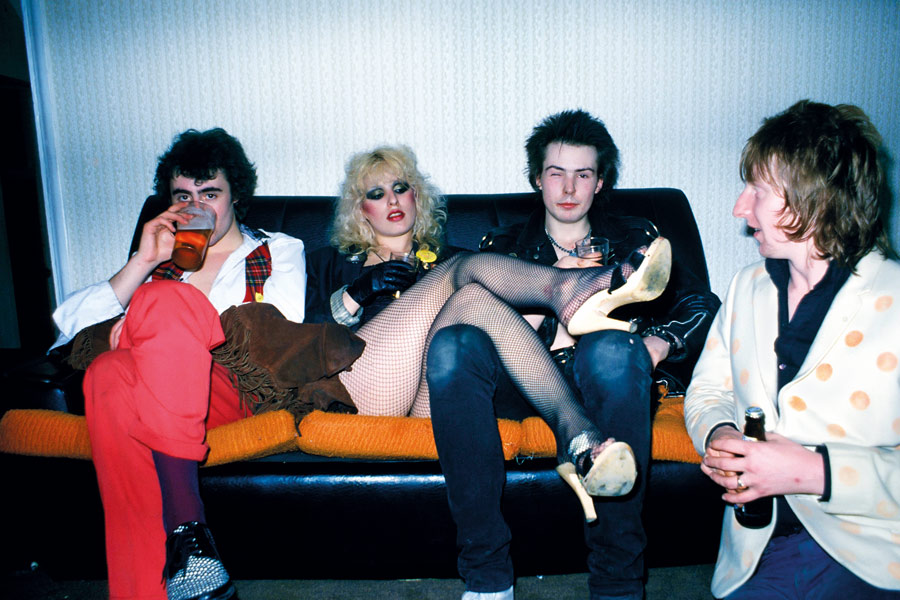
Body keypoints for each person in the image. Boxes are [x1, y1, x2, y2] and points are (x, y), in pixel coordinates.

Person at [426, 109, 720, 599]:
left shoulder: (636, 238)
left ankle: (618, 583)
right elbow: (489, 332)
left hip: (610, 379)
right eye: (556, 174)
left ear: (600, 182)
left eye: (582, 175)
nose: (568, 189)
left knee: (610, 350)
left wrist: (651, 347)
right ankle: (487, 579)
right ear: (537, 180)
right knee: (454, 343)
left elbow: (700, 301)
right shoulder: (502, 247)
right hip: (523, 388)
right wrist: (547, 299)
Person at [51, 128, 306, 600]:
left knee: (162, 303)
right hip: (151, 397)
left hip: (227, 390)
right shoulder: (158, 262)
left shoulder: (277, 250)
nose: (197, 208)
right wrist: (144, 261)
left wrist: (149, 315)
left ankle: (187, 522)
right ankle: (166, 579)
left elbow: (279, 332)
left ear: (236, 197)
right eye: (182, 196)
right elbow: (65, 328)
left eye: (210, 194)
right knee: (107, 373)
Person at [685, 100, 900, 599]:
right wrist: (719, 436)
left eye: (756, 190)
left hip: (874, 547)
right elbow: (706, 391)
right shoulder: (746, 287)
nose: (740, 209)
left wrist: (810, 471)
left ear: (812, 199)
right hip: (760, 542)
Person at [304, 145, 465, 329]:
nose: (393, 200)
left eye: (400, 188)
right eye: (377, 194)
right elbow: (303, 335)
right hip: (366, 355)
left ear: (416, 196)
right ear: (360, 209)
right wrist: (357, 292)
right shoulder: (326, 265)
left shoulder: (452, 260)